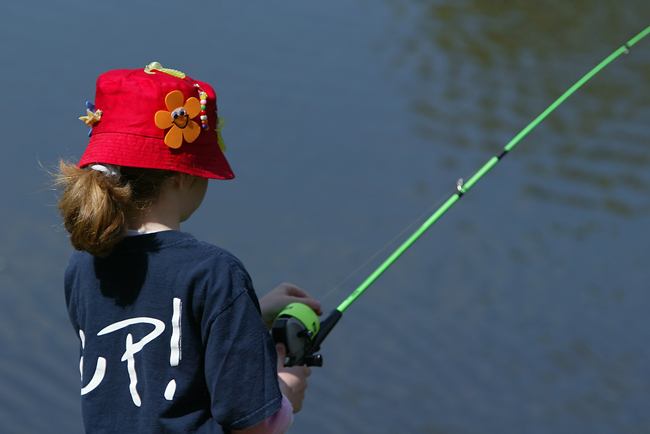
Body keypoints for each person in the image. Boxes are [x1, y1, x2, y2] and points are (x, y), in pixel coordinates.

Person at [55, 64, 322, 433]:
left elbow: (148, 351)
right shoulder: (215, 273)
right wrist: (285, 394)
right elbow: (252, 426)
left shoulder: (84, 265)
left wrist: (246, 313)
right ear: (182, 175)